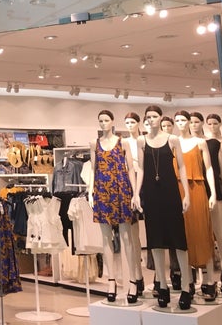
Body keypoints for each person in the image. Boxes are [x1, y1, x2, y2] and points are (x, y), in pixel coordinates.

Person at [133, 105, 192, 310]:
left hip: (170, 192)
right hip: (151, 194)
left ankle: (186, 286)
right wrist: (136, 193)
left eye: (154, 116)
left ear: (160, 118)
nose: (151, 119)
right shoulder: (141, 141)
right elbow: (141, 169)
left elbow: (182, 167)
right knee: (155, 240)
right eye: (148, 117)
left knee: (179, 240)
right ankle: (163, 286)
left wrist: (186, 193)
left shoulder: (172, 139)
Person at [88, 109, 138, 303]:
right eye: (100, 121)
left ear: (112, 121)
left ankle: (133, 280)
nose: (103, 124)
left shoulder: (122, 142)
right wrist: (91, 191)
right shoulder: (94, 144)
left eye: (106, 120)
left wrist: (134, 193)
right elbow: (93, 169)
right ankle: (111, 281)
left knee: (126, 238)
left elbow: (131, 169)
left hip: (121, 189)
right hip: (102, 190)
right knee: (106, 238)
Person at [174, 109, 218, 301]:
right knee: (183, 235)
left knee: (202, 233)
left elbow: (209, 168)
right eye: (178, 120)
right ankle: (188, 281)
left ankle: (209, 280)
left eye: (185, 120)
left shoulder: (200, 143)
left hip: (198, 189)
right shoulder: (172, 142)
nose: (182, 123)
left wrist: (213, 192)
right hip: (178, 191)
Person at [123, 112, 145, 295]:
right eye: (127, 122)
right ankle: (137, 275)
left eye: (132, 122)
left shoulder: (145, 140)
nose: (130, 125)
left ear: (139, 123)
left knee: (153, 230)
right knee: (133, 234)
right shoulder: (123, 142)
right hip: (130, 184)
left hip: (147, 182)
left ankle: (158, 276)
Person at [203, 113, 222, 284]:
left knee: (220, 231)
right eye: (209, 123)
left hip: (218, 186)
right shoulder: (207, 143)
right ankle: (207, 276)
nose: (212, 126)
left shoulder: (217, 143)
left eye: (215, 123)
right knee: (209, 231)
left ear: (220, 124)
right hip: (209, 187)